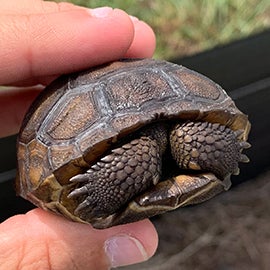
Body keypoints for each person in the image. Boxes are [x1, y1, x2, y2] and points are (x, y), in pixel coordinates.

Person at [0, 1, 158, 269]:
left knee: (172, 142)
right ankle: (97, 188)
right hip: (86, 149)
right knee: (144, 150)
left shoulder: (185, 134)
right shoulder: (142, 150)